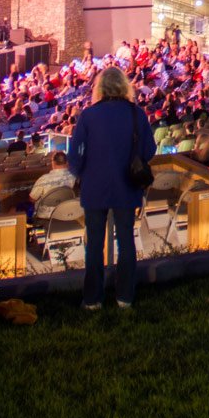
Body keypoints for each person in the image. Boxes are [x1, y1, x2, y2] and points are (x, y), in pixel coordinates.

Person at [69, 65, 156, 310]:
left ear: (100, 87)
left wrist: (82, 174)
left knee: (94, 244)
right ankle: (125, 296)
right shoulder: (136, 114)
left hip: (94, 186)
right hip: (127, 186)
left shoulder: (88, 115)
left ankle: (93, 298)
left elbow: (74, 156)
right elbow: (149, 150)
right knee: (126, 241)